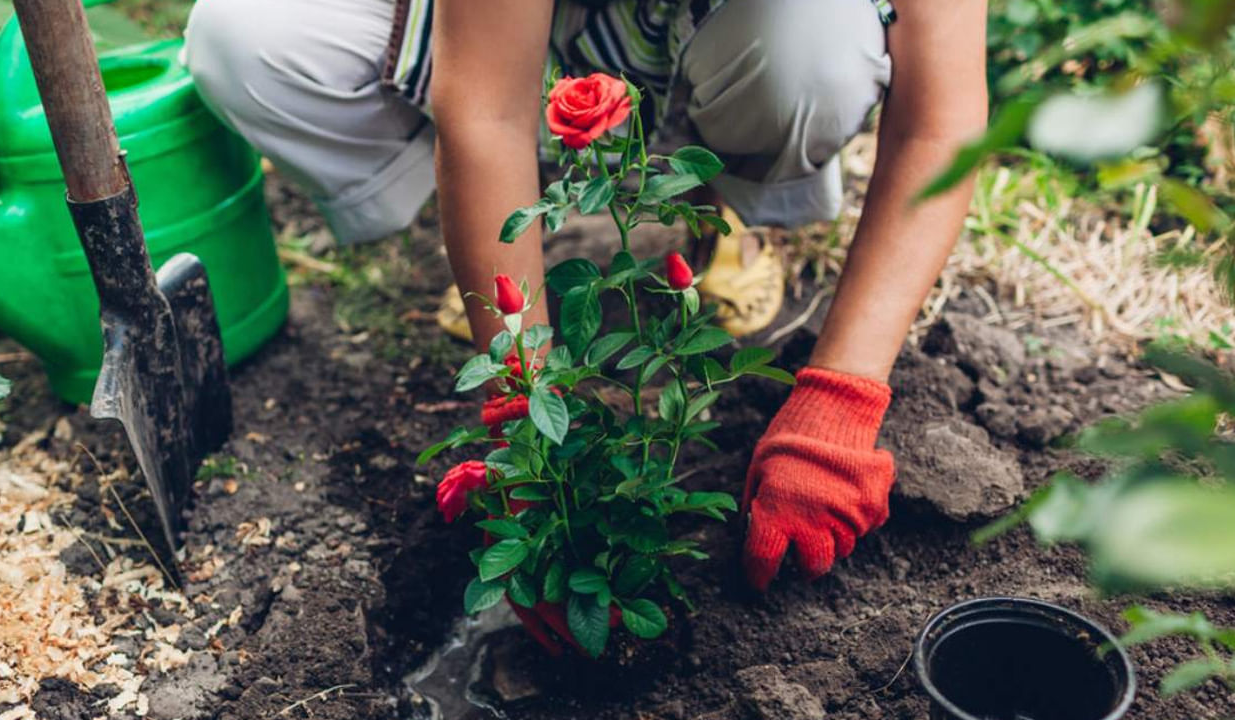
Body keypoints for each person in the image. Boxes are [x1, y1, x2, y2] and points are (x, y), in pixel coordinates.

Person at [183, 0, 987, 589]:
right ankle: (492, 253)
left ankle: (726, 208)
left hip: (740, 38)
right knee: (247, 39)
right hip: (528, 27)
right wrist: (521, 398)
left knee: (809, 54)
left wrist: (841, 395)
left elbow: (941, 125)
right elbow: (487, 108)